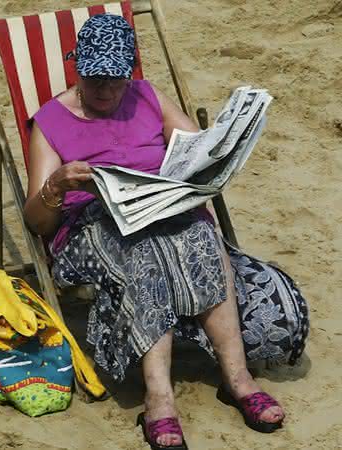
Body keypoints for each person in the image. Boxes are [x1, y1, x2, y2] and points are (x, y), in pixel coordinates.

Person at [23, 14, 308, 450]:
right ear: (77, 69)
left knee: (202, 237)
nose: (105, 90)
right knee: (146, 251)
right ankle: (159, 399)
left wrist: (206, 158)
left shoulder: (148, 94)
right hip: (92, 225)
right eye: (95, 78)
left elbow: (196, 150)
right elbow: (36, 221)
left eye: (115, 80)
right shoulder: (49, 121)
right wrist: (56, 186)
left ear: (129, 73)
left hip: (164, 209)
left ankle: (238, 379)